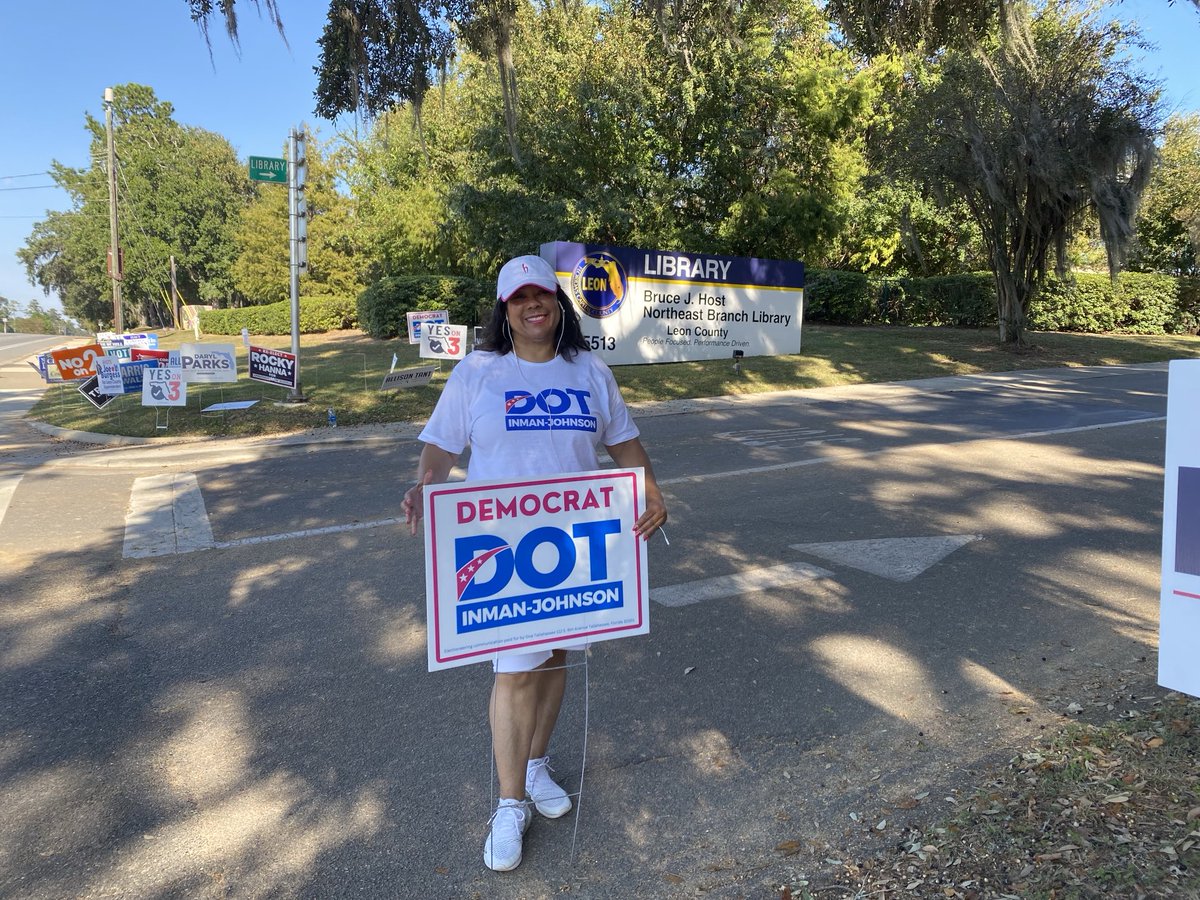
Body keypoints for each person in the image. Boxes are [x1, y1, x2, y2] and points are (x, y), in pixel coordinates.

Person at [402, 254, 668, 872]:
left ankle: (537, 760)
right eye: (519, 298)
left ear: (557, 302)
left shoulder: (589, 371)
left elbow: (624, 442)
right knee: (516, 670)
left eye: (541, 295)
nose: (532, 306)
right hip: (504, 552)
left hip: (575, 549)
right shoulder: (478, 373)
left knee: (554, 659)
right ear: (505, 309)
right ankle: (509, 802)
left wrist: (651, 489)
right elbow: (440, 450)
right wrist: (424, 488)